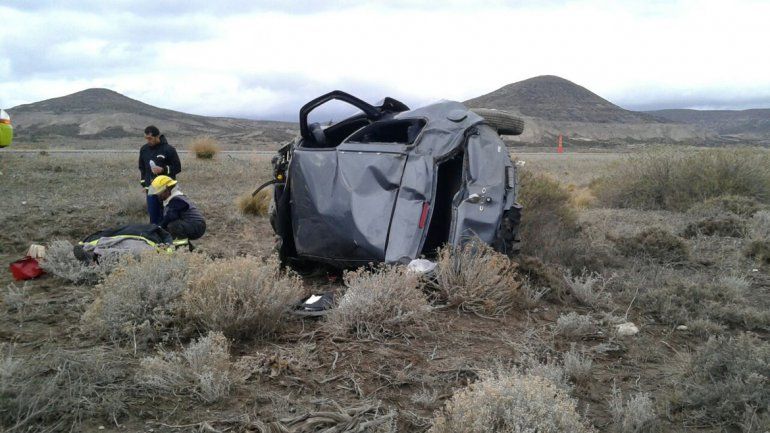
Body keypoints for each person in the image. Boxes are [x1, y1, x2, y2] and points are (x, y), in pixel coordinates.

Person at [139, 126, 181, 224]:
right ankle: (156, 237)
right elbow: (142, 169)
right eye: (146, 138)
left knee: (169, 217)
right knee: (154, 218)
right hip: (152, 189)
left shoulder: (169, 149)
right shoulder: (144, 150)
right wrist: (145, 185)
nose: (148, 141)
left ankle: (169, 237)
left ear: (157, 136)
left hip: (167, 190)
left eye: (150, 138)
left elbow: (177, 167)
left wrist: (163, 169)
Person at [148, 175, 206, 240]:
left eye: (159, 193)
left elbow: (172, 216)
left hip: (197, 226)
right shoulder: (171, 199)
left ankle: (181, 247)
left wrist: (159, 227)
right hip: (192, 224)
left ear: (167, 190)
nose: (158, 196)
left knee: (173, 226)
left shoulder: (177, 199)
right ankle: (188, 247)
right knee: (169, 227)